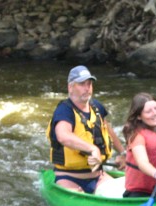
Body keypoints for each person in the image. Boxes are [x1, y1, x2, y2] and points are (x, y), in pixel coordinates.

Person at [46, 65, 126, 193]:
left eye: (89, 84)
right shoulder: (64, 110)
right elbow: (63, 136)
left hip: (98, 177)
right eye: (82, 84)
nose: (87, 88)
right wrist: (92, 148)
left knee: (122, 194)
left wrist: (123, 154)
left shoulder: (97, 107)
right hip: (69, 178)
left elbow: (108, 131)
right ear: (70, 87)